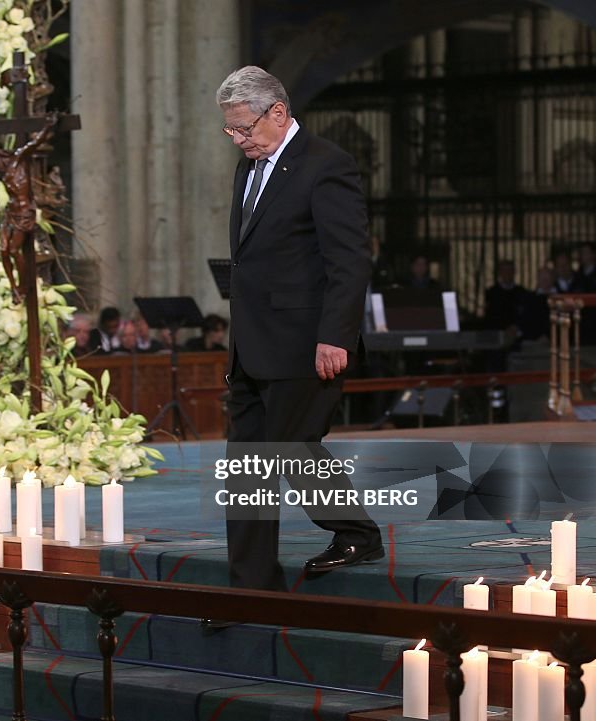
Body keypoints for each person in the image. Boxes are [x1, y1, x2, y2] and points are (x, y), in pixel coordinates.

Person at [215, 66, 382, 601]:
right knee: (245, 468)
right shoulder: (248, 169)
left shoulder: (326, 165)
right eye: (231, 131)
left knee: (289, 447)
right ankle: (253, 589)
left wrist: (336, 335)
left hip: (305, 342)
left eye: (244, 129)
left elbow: (349, 259)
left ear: (278, 112)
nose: (239, 140)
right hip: (250, 344)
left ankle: (356, 532)